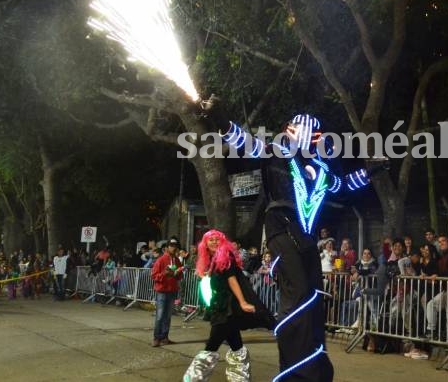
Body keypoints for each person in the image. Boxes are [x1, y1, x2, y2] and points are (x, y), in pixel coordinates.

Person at [203, 103, 387, 381]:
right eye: (298, 131)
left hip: (305, 237)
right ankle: (294, 368)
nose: (303, 137)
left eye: (310, 134)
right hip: (280, 227)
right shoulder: (277, 153)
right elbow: (245, 141)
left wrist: (372, 172)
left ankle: (312, 366)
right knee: (299, 290)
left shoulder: (322, 170)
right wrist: (217, 116)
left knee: (312, 298)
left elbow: (345, 185)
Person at [183, 230, 274, 382]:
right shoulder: (212, 259)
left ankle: (193, 379)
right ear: (205, 243)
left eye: (216, 239)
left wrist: (243, 302)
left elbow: (233, 280)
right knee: (236, 344)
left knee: (211, 346)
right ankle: (240, 379)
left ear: (222, 242)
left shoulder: (225, 257)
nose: (213, 242)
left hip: (228, 307)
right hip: (220, 306)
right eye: (210, 240)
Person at [150, 238, 183, 347]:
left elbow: (179, 277)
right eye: (172, 245)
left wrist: (178, 272)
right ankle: (156, 338)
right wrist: (164, 273)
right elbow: (153, 276)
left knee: (168, 316)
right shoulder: (161, 260)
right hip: (162, 291)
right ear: (167, 247)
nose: (174, 248)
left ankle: (164, 337)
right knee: (160, 316)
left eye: (175, 246)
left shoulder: (177, 260)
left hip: (172, 290)